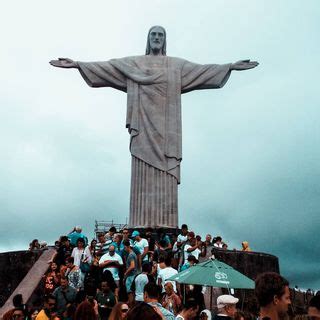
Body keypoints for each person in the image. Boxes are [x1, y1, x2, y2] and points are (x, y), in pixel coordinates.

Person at [50, 26, 258, 229]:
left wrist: (229, 66)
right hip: (142, 127)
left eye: (160, 35)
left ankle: (166, 224)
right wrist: (78, 64)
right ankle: (139, 223)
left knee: (166, 169)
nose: (157, 38)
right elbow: (107, 67)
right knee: (141, 166)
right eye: (153, 34)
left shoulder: (176, 65)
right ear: (148, 39)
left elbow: (203, 70)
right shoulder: (134, 63)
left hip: (167, 132)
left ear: (165, 40)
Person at [123, 239, 137, 305]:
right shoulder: (133, 254)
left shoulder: (131, 255)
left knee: (130, 293)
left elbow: (132, 266)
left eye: (125, 247)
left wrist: (126, 273)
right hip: (133, 276)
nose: (124, 249)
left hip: (130, 276)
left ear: (128, 246)